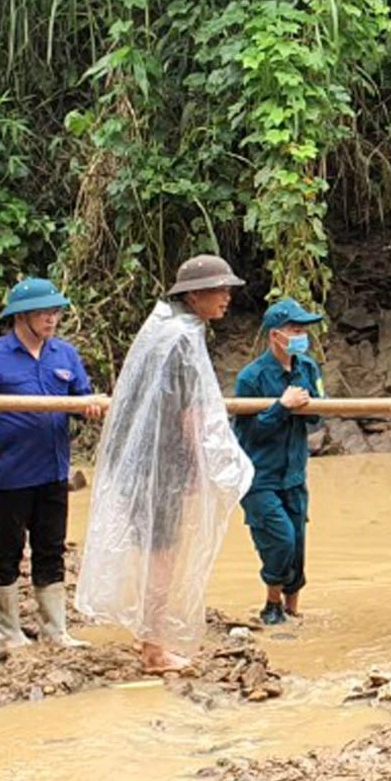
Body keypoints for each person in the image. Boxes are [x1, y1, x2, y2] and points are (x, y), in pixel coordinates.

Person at [76, 255, 255, 674]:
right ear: (194, 295)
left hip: (146, 466)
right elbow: (192, 413)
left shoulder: (165, 330)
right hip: (162, 468)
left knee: (154, 552)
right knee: (163, 557)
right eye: (219, 290)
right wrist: (204, 467)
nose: (227, 297)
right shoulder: (181, 339)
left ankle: (148, 636)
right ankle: (155, 649)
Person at [0, 278, 104, 648]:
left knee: (51, 547)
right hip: (11, 472)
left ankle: (55, 630)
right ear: (20, 317)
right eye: (43, 313)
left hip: (53, 470)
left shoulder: (63, 355)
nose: (52, 319)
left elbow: (81, 401)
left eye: (55, 312)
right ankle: (7, 629)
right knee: (7, 548)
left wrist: (90, 408)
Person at [233, 297, 325, 627]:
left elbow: (319, 419)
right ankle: (271, 604)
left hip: (295, 474)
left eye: (304, 330)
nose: (302, 335)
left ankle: (293, 611)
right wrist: (281, 407)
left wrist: (311, 406)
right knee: (280, 538)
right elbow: (249, 434)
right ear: (275, 335)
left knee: (297, 543)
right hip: (259, 477)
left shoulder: (308, 368)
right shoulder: (251, 378)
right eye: (295, 329)